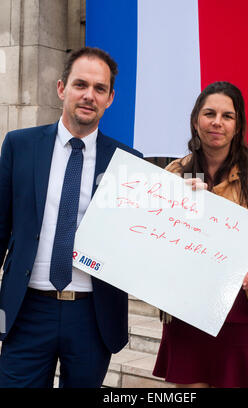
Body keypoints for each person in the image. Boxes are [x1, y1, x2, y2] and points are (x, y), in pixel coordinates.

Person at [0, 46, 143, 388]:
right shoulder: (20, 146)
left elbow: (142, 238)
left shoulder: (129, 162)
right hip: (27, 310)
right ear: (62, 88)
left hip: (92, 315)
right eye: (81, 84)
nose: (89, 95)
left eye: (99, 89)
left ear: (110, 98)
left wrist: (187, 199)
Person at [152, 81, 248, 388]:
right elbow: (156, 240)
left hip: (244, 306)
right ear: (195, 120)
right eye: (209, 113)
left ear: (237, 124)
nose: (217, 122)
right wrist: (176, 204)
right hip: (188, 308)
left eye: (227, 116)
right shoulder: (175, 174)